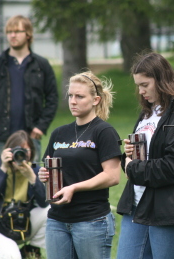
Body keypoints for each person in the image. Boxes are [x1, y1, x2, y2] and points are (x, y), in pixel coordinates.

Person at [38, 71, 121, 259]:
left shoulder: (104, 132)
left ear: (95, 100)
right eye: (70, 96)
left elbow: (113, 176)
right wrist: (44, 176)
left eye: (79, 96)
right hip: (57, 220)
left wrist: (74, 188)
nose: (73, 101)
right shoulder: (59, 133)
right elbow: (51, 170)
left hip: (91, 221)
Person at [116, 52, 174, 259]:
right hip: (136, 203)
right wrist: (128, 155)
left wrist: (132, 168)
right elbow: (143, 156)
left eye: (145, 85)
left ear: (161, 80)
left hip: (167, 207)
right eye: (138, 86)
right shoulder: (147, 112)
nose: (140, 91)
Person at [0, 15, 58, 162]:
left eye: (17, 31)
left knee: (31, 181)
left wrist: (41, 127)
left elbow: (53, 98)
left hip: (30, 138)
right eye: (9, 32)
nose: (12, 35)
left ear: (28, 34)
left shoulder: (41, 65)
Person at [0, 130, 48, 259]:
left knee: (51, 211)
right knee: (11, 256)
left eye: (26, 150)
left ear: (31, 152)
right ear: (8, 151)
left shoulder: (33, 169)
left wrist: (32, 178)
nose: (21, 155)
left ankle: (30, 249)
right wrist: (3, 168)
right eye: (18, 150)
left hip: (21, 224)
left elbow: (43, 202)